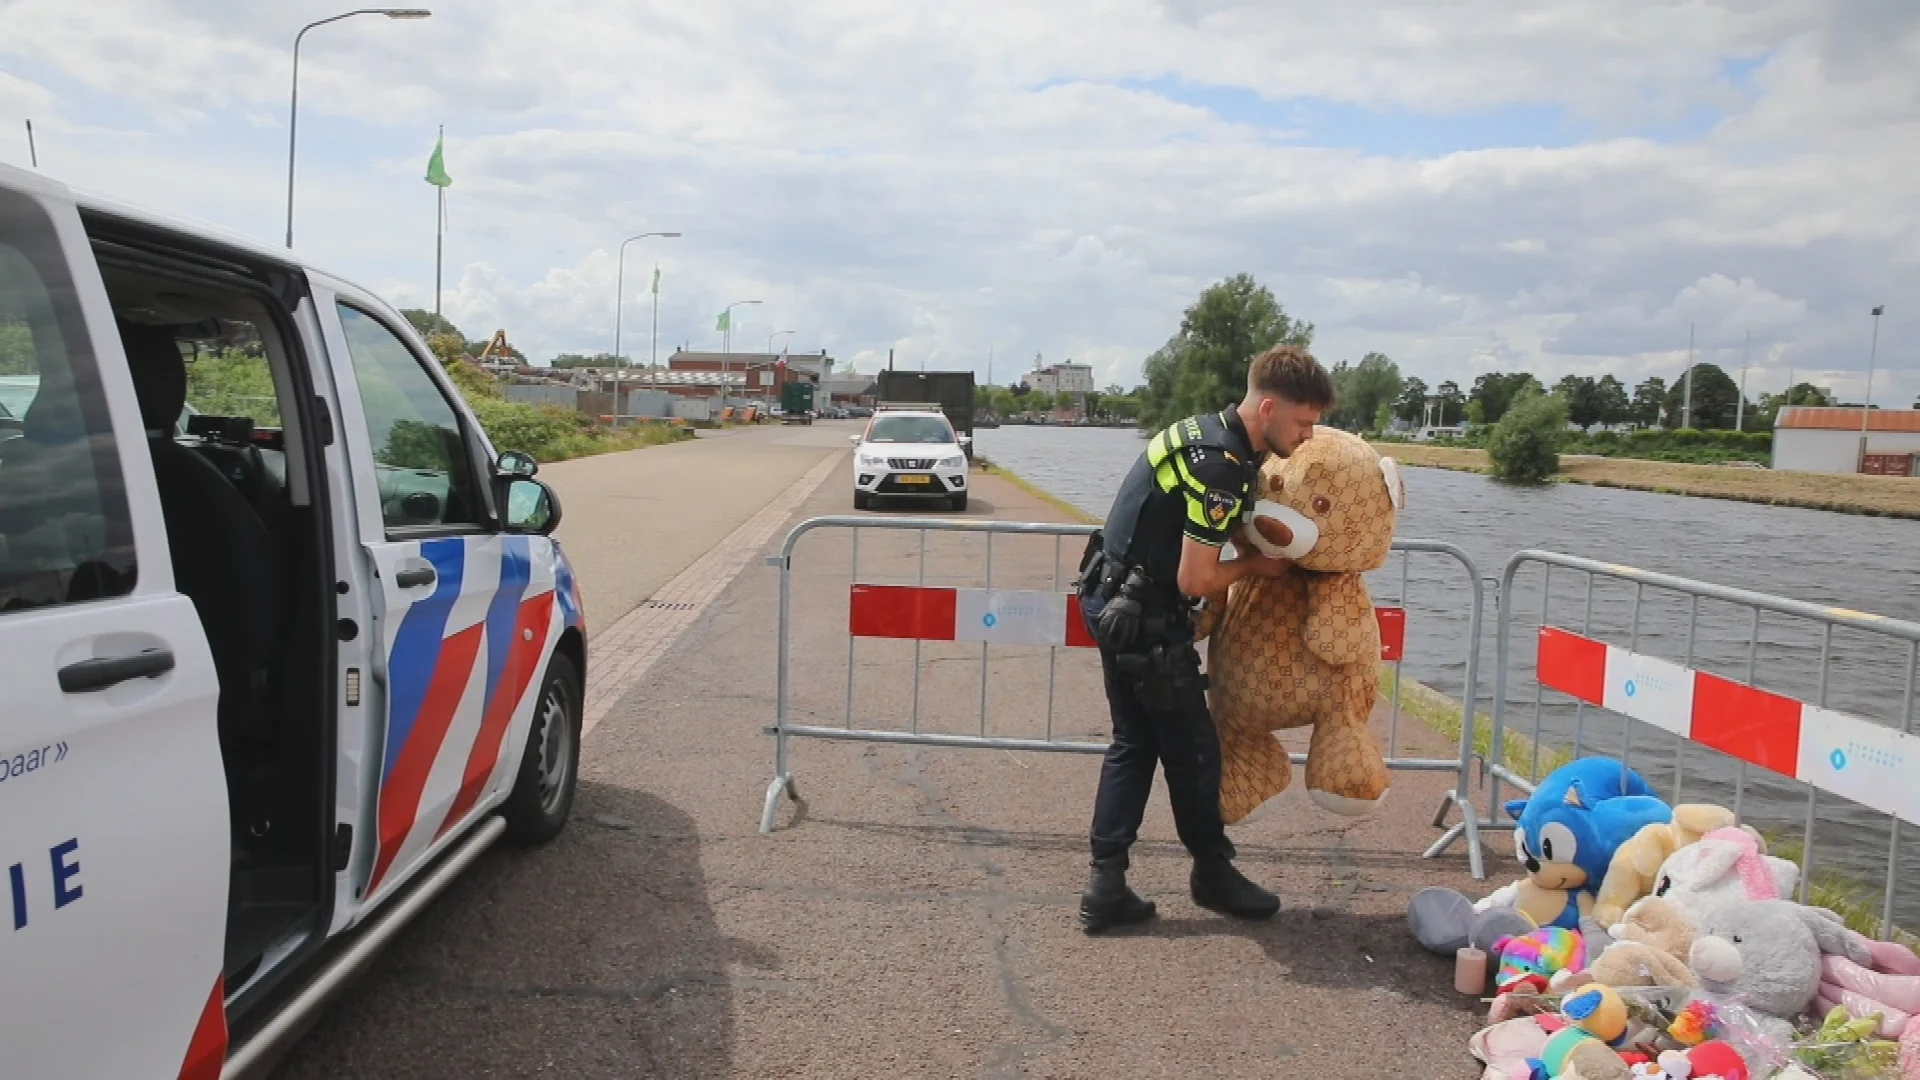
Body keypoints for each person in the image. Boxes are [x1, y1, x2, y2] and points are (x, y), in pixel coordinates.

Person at [1071, 344, 1335, 933]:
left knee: (1134, 744)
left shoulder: (1203, 433)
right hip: (1144, 620)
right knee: (1193, 752)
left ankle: (1106, 885)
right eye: (1303, 422)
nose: (1310, 435)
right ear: (1268, 407)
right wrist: (1256, 569)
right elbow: (1196, 577)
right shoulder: (1221, 466)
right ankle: (1211, 874)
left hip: (1113, 597)